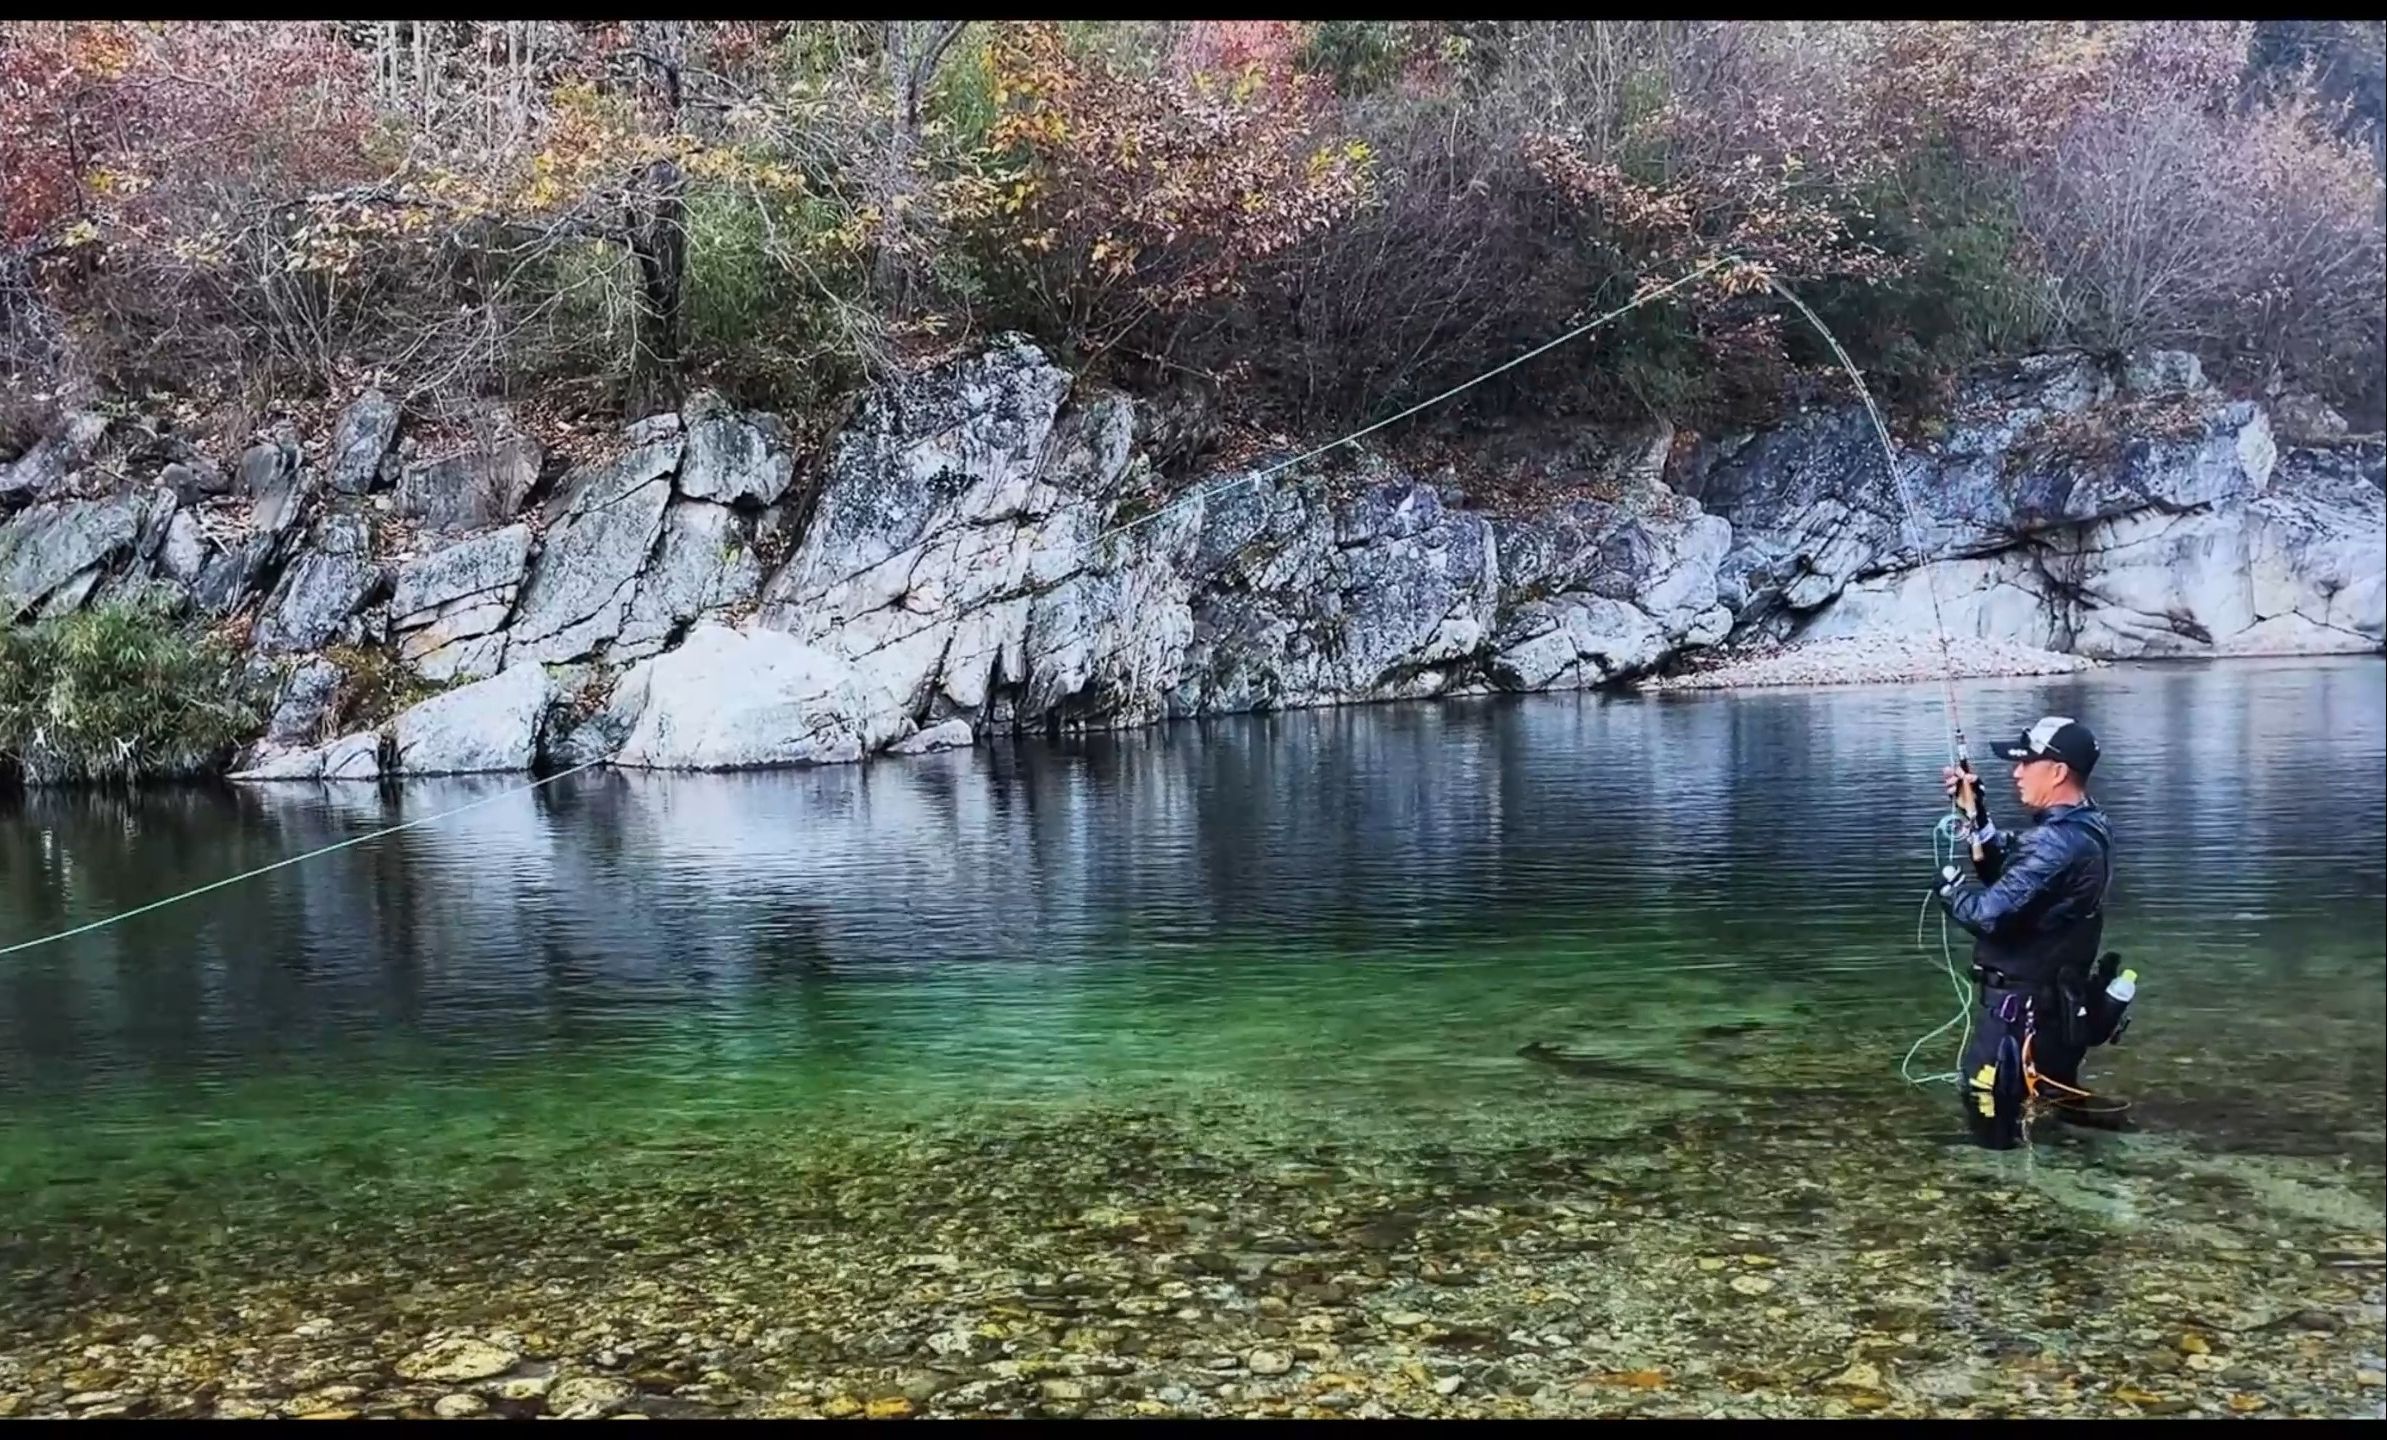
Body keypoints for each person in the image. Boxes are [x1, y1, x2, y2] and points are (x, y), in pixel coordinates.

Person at [1935, 715, 2114, 1149]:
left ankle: (2003, 1206)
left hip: (2017, 1024)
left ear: (2057, 772)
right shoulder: (2085, 827)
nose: (2015, 772)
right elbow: (2011, 874)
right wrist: (1975, 812)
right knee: (2042, 1122)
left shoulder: (2055, 842)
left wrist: (1949, 890)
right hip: (2050, 1015)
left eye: (2026, 763)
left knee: (1991, 1122)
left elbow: (1989, 915)